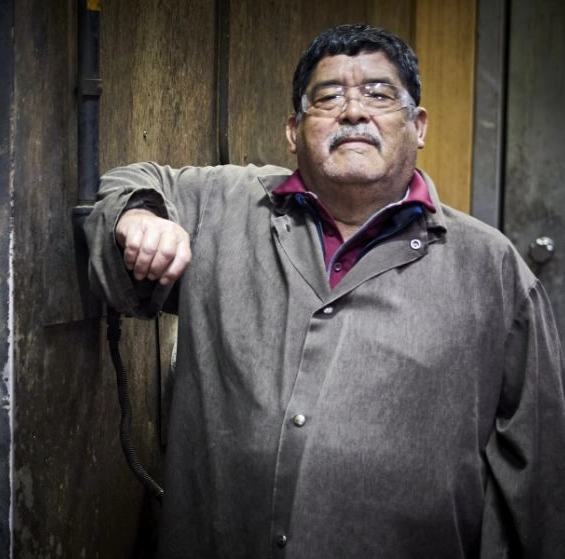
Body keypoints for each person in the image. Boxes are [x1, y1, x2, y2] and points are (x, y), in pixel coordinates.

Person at [84, 23, 565, 558]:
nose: (354, 112)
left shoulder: (490, 267)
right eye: (329, 96)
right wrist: (139, 216)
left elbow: (539, 471)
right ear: (294, 129)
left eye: (380, 95)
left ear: (418, 125)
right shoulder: (225, 205)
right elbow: (132, 180)